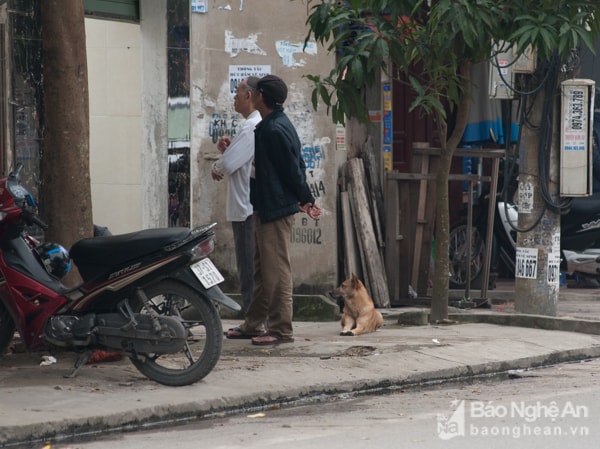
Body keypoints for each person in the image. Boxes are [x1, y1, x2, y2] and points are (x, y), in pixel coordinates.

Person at [226, 74, 321, 345]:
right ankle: (254, 324)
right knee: (262, 271)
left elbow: (293, 169)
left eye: (254, 92)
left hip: (276, 209)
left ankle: (281, 329)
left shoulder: (274, 129)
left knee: (277, 271)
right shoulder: (270, 125)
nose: (249, 95)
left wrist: (306, 199)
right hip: (266, 206)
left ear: (261, 98)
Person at [211, 77, 261, 311]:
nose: (234, 97)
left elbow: (229, 165)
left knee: (248, 266)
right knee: (249, 266)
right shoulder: (251, 126)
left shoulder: (250, 126)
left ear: (249, 96)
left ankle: (254, 319)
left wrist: (217, 166)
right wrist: (229, 152)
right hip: (245, 205)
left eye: (237, 93)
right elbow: (238, 160)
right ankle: (255, 319)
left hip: (245, 207)